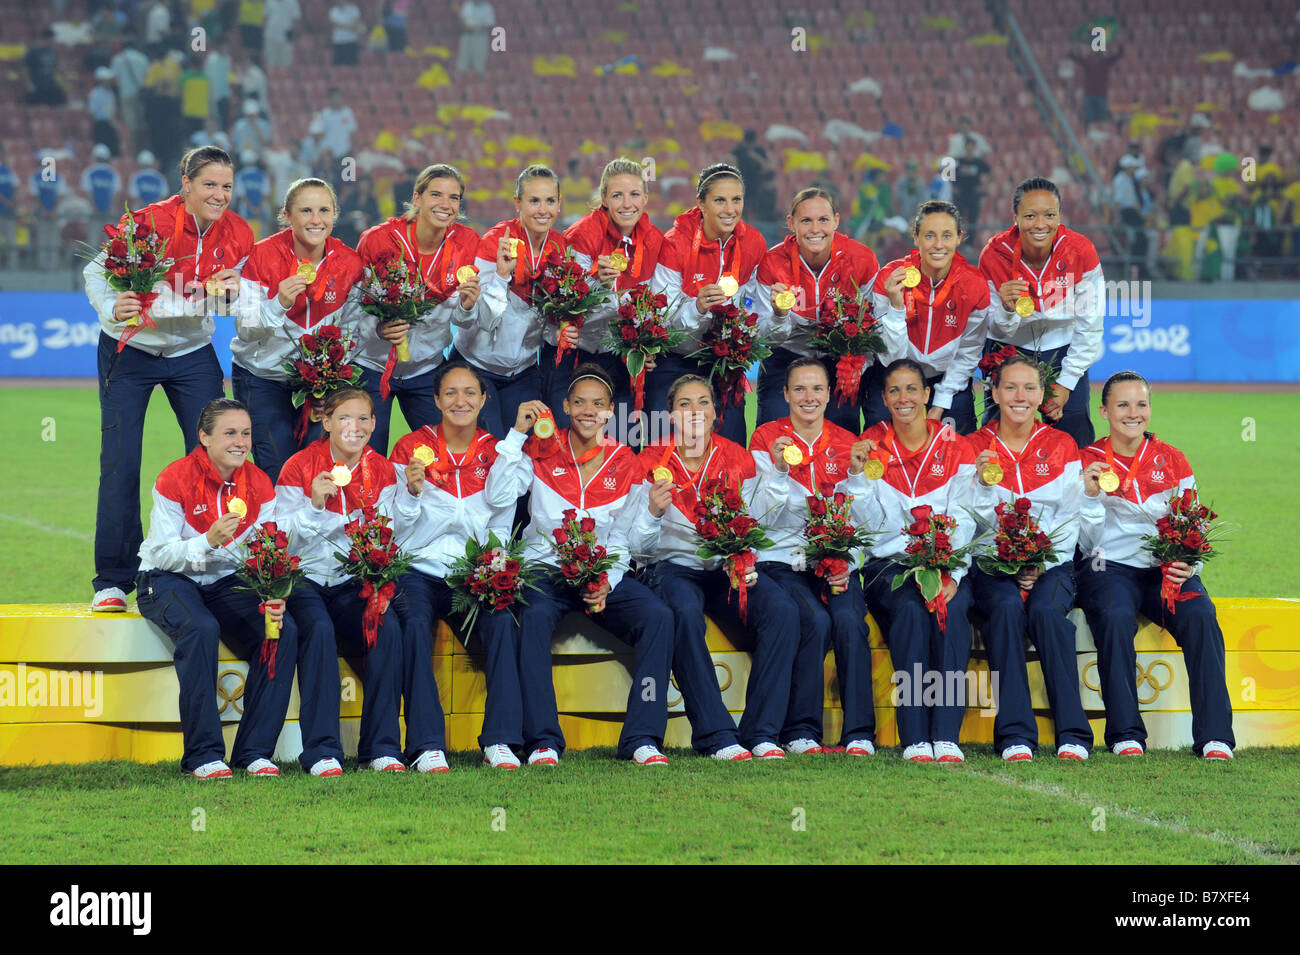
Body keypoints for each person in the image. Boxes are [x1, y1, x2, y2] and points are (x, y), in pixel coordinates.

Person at [83, 145, 253, 613]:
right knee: (120, 462)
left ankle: (204, 566)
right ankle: (113, 581)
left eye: (226, 186)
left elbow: (228, 304)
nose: (219, 194)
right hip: (129, 350)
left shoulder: (239, 233)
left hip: (191, 352)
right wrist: (109, 306)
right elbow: (95, 272)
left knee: (214, 459)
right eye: (209, 184)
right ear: (186, 184)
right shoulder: (146, 223)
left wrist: (230, 294)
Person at [478, 365, 676, 766]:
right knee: (530, 619)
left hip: (602, 572)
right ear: (565, 406)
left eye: (599, 404)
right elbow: (498, 496)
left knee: (658, 617)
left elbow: (627, 541)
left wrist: (609, 577)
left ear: (610, 412)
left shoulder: (627, 461)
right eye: (580, 402)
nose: (589, 410)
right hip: (545, 569)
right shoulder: (541, 448)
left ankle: (642, 737)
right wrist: (517, 435)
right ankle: (542, 741)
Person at [637, 373, 801, 759]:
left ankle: (761, 732)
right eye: (684, 404)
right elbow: (637, 545)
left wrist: (777, 474)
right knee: (685, 613)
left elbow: (759, 520)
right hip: (673, 567)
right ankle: (715, 734)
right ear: (670, 416)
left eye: (703, 403)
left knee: (783, 611)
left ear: (716, 413)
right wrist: (652, 513)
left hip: (726, 567)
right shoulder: (649, 460)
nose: (695, 411)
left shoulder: (737, 456)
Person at [1076, 371, 1235, 760]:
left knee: (1200, 614)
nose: (1134, 413)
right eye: (1123, 405)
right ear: (1104, 410)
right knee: (1113, 617)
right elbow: (1085, 543)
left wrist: (1188, 564)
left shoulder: (1173, 459)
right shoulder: (1088, 462)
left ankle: (1215, 736)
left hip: (1165, 570)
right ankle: (1125, 733)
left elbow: (1191, 522)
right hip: (1108, 568)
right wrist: (1092, 497)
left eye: (1141, 404)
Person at [135, 398, 297, 778]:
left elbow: (265, 548)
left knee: (281, 632)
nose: (240, 441)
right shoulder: (174, 478)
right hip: (166, 578)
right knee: (201, 627)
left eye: (246, 433)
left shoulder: (258, 482)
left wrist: (271, 590)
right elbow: (161, 552)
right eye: (229, 433)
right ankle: (203, 755)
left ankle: (254, 752)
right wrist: (207, 541)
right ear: (204, 436)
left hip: (226, 579)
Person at [275, 388, 422, 774]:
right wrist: (313, 505)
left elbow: (395, 530)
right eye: (344, 418)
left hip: (354, 580)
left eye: (362, 419)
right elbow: (281, 539)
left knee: (387, 629)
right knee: (319, 631)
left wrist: (411, 495)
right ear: (325, 422)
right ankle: (322, 751)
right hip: (305, 579)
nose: (353, 428)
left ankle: (382, 748)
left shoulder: (385, 469)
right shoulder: (299, 466)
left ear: (374, 424)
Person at [966, 353, 1101, 761]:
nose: (1019, 396)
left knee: (1046, 615)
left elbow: (1070, 517)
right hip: (991, 566)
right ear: (993, 392)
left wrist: (1039, 561)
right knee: (1005, 610)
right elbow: (962, 521)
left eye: (1029, 388)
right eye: (1010, 387)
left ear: (1043, 394)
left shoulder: (1062, 445)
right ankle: (1015, 736)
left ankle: (1074, 734)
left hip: (1052, 564)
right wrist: (979, 483)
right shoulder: (974, 446)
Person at [750, 358, 878, 756]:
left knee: (848, 619)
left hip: (838, 559)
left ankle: (859, 734)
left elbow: (871, 520)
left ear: (829, 394)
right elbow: (757, 517)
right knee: (816, 620)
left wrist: (857, 477)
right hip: (785, 561)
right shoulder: (764, 439)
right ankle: (802, 731)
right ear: (784, 394)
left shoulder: (847, 441)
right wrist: (777, 472)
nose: (809, 397)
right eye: (800, 389)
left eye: (817, 389)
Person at [389, 361, 514, 770]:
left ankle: (500, 740)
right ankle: (426, 746)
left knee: (503, 621)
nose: (460, 401)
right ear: (436, 400)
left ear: (483, 400)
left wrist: (490, 565)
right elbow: (396, 525)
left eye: (469, 393)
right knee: (412, 626)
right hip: (418, 568)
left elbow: (501, 522)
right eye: (450, 394)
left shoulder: (498, 452)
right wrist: (410, 492)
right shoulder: (410, 449)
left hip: (473, 571)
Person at [854, 359, 979, 762]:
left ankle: (945, 734)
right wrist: (858, 477)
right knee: (909, 610)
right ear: (884, 399)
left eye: (912, 389)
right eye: (895, 391)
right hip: (887, 565)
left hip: (946, 562)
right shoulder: (870, 446)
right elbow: (869, 527)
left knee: (953, 611)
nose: (904, 398)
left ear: (928, 395)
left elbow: (964, 518)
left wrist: (951, 571)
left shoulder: (956, 446)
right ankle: (914, 736)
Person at [232, 177, 364, 483]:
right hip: (263, 378)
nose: (316, 220)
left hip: (319, 387)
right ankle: (276, 531)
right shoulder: (261, 256)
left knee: (319, 474)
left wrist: (327, 384)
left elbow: (352, 335)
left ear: (334, 215)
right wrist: (279, 303)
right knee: (277, 471)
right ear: (287, 215)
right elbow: (247, 329)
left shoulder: (350, 263)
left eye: (324, 210)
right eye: (306, 211)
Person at [355, 163, 482, 453]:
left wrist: (467, 307)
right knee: (365, 457)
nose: (445, 205)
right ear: (417, 198)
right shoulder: (378, 240)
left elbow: (465, 322)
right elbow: (351, 308)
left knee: (446, 454)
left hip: (427, 371)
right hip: (372, 368)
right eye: (436, 195)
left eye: (454, 198)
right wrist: (377, 328)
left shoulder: (467, 243)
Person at [978, 177, 1105, 448]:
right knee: (997, 436)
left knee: (1074, 441)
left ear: (1059, 215)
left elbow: (1090, 325)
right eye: (1030, 215)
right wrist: (1008, 310)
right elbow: (993, 327)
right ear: (1015, 217)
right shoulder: (994, 254)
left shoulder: (1081, 251)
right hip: (1007, 346)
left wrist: (1067, 383)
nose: (1040, 224)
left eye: (1049, 215)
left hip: (1063, 351)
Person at [752, 186, 890, 433]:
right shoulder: (772, 263)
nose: (815, 229)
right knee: (773, 434)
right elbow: (765, 337)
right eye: (806, 220)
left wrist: (859, 364)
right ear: (791, 223)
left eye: (823, 220)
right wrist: (779, 314)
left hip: (840, 360)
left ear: (836, 221)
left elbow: (876, 323)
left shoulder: (862, 259)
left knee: (843, 435)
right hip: (786, 354)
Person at [648, 162, 768, 446]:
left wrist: (744, 320)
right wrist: (697, 308)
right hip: (674, 359)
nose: (730, 210)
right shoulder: (675, 243)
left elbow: (753, 301)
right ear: (701, 203)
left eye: (736, 200)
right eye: (720, 200)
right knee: (661, 445)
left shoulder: (753, 242)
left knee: (731, 446)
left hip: (724, 361)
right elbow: (660, 314)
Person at [452, 164, 564, 439]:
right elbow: (484, 321)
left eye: (550, 201)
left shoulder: (560, 249)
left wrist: (558, 331)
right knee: (487, 453)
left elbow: (547, 322)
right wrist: (502, 276)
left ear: (559, 204)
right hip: (476, 369)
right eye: (534, 201)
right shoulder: (496, 242)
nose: (542, 210)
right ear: (518, 203)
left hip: (523, 374)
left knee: (525, 455)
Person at [556, 157, 665, 428]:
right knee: (571, 440)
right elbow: (567, 307)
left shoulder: (654, 239)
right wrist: (599, 285)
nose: (627, 204)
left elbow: (657, 306)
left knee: (624, 443)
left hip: (622, 357)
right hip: (577, 354)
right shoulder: (582, 234)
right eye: (617, 195)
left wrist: (648, 346)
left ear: (645, 198)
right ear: (604, 198)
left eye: (634, 194)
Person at [870, 200, 990, 435]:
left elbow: (968, 353)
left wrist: (940, 404)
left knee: (955, 449)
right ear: (916, 238)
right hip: (893, 375)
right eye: (929, 236)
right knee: (883, 446)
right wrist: (896, 307)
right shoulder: (890, 278)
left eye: (947, 236)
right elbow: (890, 356)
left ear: (959, 237)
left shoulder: (975, 286)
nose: (938, 245)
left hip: (948, 381)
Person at [81, 143, 123, 236]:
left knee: (94, 239)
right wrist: (111, 207)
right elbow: (117, 192)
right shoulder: (113, 172)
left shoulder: (89, 172)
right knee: (109, 240)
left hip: (94, 211)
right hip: (109, 211)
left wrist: (94, 207)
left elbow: (87, 192)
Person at [456, 0, 495, 74]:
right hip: (466, 35)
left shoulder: (487, 7)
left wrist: (476, 27)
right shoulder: (467, 5)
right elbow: (461, 19)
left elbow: (490, 24)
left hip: (480, 36)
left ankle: (480, 80)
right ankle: (461, 79)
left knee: (479, 61)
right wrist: (464, 26)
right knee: (463, 60)